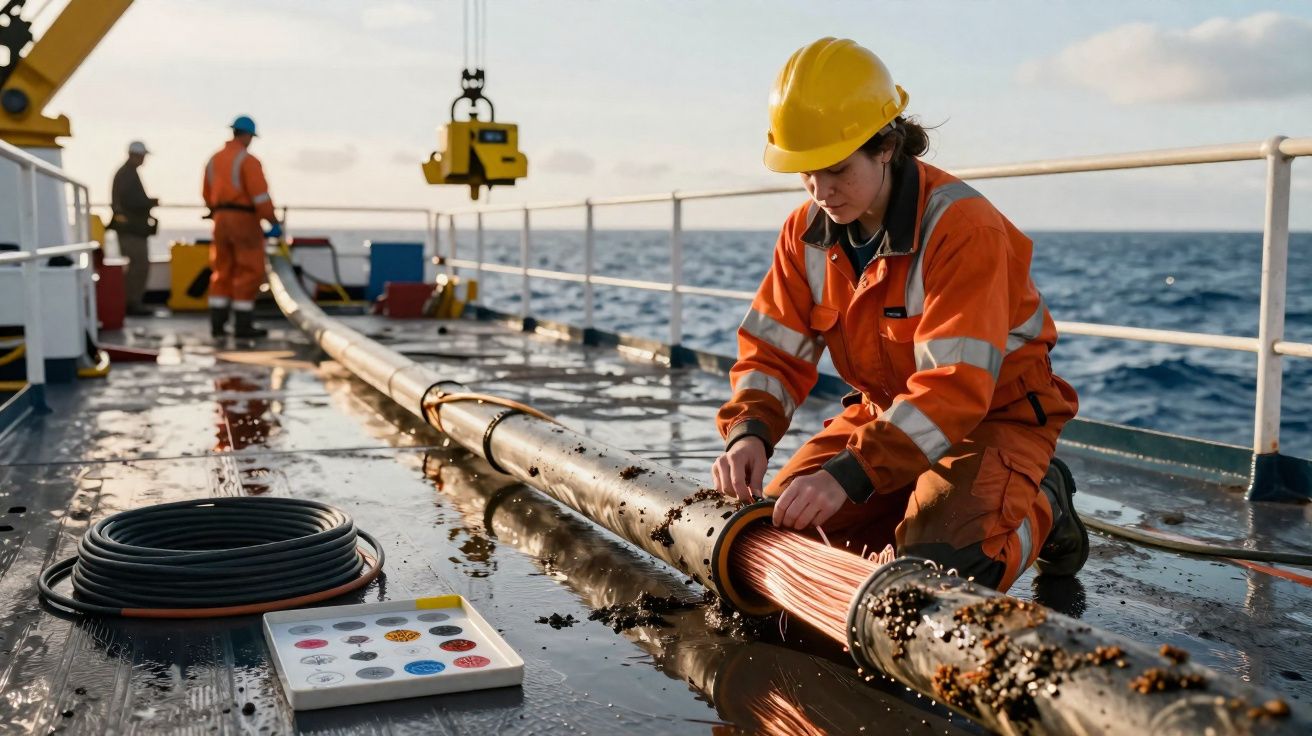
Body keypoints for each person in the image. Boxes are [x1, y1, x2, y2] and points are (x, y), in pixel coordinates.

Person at [711, 38, 1087, 593]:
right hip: (886, 418)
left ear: (886, 146)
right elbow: (773, 351)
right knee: (775, 530)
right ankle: (917, 503)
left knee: (943, 576)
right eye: (805, 174)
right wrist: (749, 433)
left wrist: (850, 476)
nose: (820, 192)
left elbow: (955, 387)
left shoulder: (963, 229)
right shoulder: (804, 231)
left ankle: (1044, 503)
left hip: (994, 419)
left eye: (836, 170)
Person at [202, 115, 282, 339]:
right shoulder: (248, 161)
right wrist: (273, 222)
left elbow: (206, 193)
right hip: (243, 220)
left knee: (222, 269)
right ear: (247, 135)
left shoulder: (213, 160)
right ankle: (243, 326)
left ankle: (217, 325)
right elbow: (260, 197)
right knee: (249, 270)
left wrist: (218, 211)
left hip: (219, 220)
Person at [108, 140, 159, 316]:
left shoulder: (127, 173)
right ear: (135, 155)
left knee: (138, 265)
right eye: (143, 156)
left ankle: (131, 301)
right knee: (139, 265)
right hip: (131, 231)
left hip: (131, 229)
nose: (144, 159)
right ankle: (132, 303)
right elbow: (132, 201)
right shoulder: (127, 174)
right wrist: (150, 203)